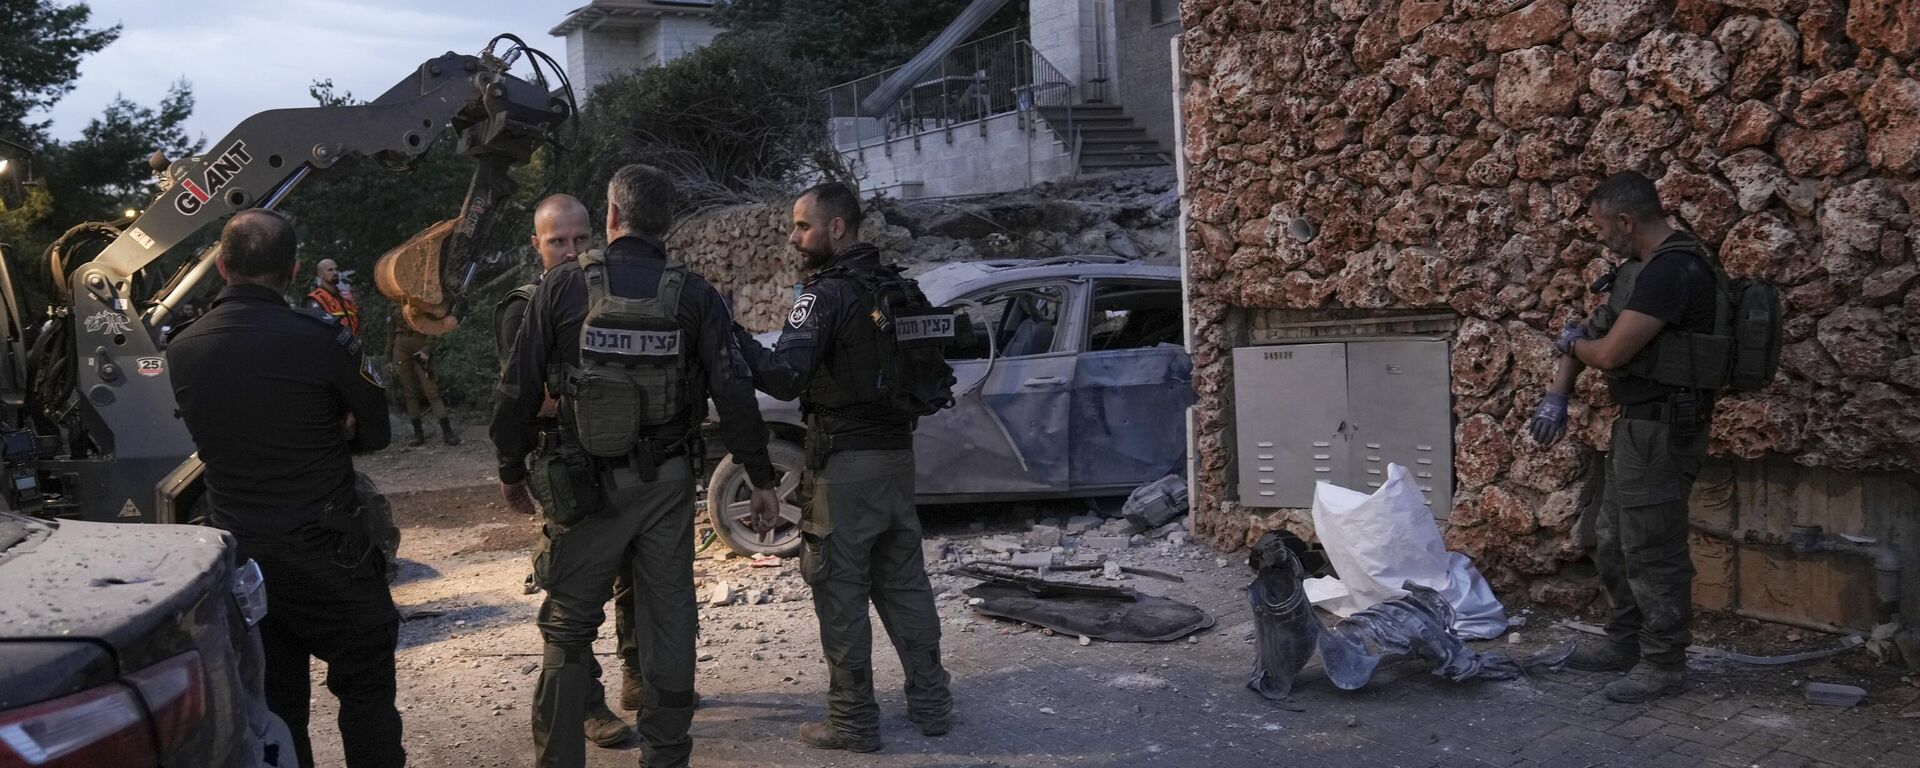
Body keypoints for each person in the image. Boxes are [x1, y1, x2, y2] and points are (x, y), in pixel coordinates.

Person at [492, 164, 781, 768]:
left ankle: (559, 758)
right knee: (668, 614)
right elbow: (733, 390)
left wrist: (511, 469)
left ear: (612, 216)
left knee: (569, 623)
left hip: (583, 483)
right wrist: (760, 477)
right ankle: (667, 754)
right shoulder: (697, 295)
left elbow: (516, 391)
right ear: (667, 223)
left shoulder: (561, 289)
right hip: (667, 483)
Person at [168, 209, 403, 767]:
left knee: (276, 709)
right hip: (333, 557)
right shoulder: (324, 341)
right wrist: (332, 425)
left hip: (246, 565)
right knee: (367, 692)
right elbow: (376, 432)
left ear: (223, 266)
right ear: (295, 268)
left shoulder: (183, 347)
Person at [735, 181, 955, 752]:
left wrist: (731, 337)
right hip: (897, 460)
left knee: (838, 588)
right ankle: (932, 705)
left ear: (836, 228)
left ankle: (852, 720)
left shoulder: (824, 294)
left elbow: (785, 377)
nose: (793, 237)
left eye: (802, 226)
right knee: (905, 584)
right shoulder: (896, 287)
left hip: (845, 466)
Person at [1529, 171, 1722, 704]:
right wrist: (1558, 395)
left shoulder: (1674, 270)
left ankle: (1663, 662)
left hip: (1665, 428)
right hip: (1637, 425)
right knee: (1612, 537)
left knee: (1652, 547)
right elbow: (1592, 333)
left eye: (1600, 227)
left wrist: (1575, 346)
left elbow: (1609, 352)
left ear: (1626, 221)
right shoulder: (1638, 271)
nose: (1599, 237)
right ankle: (1625, 640)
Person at [497, 193, 635, 749]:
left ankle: (641, 679)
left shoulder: (612, 292)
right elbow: (527, 400)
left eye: (581, 240)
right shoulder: (523, 306)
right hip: (565, 466)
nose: (572, 251)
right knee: (575, 597)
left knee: (638, 580)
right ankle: (588, 705)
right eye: (558, 242)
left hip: (624, 461)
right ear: (538, 244)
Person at [392, 321, 461, 447]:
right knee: (409, 392)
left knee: (431, 390)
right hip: (401, 345)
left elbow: (433, 325)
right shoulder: (395, 302)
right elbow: (391, 328)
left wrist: (427, 349)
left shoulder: (424, 300)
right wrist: (388, 356)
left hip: (421, 341)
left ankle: (447, 432)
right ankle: (418, 434)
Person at [303, 257, 361, 335]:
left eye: (336, 269)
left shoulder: (346, 298)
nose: (335, 272)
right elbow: (315, 331)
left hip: (351, 345)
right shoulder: (314, 299)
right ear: (320, 275)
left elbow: (356, 322)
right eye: (330, 270)